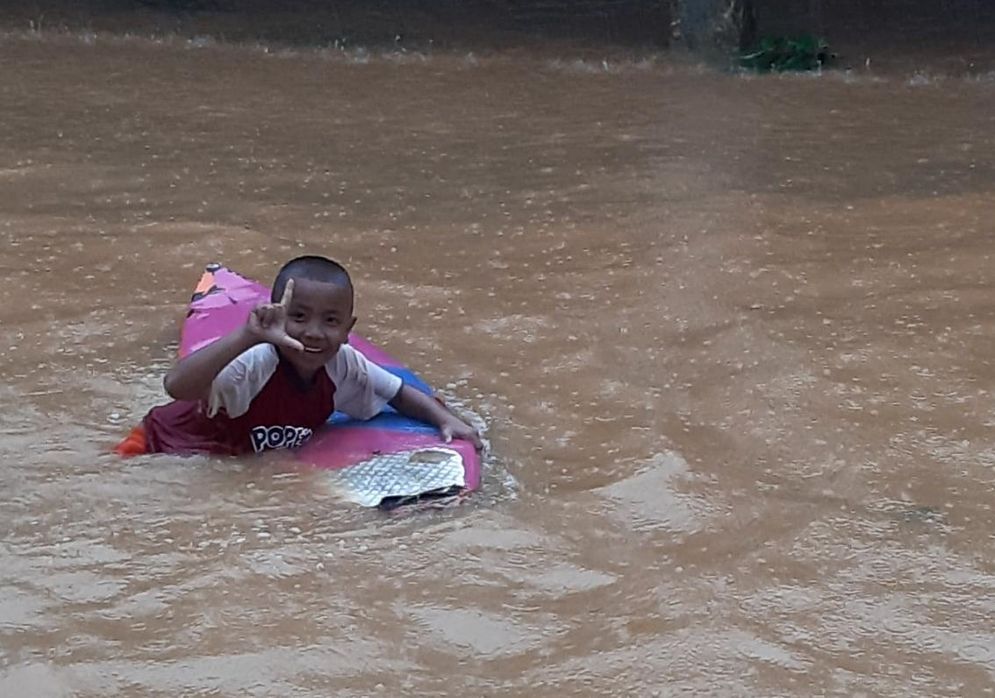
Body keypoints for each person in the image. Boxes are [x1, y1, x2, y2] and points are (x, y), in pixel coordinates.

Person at [115, 255, 482, 456]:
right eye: (299, 317)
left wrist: (443, 419)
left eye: (331, 321)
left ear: (348, 327)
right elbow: (176, 386)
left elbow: (398, 393)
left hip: (237, 458)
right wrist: (247, 334)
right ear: (277, 313)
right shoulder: (257, 360)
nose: (314, 332)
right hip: (162, 445)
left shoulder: (343, 363)